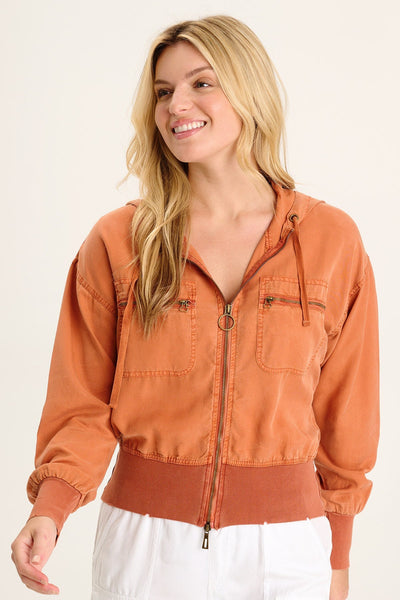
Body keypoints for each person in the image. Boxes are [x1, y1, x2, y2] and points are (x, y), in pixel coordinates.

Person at [11, 14, 379, 600]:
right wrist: (50, 509)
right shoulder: (120, 242)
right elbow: (82, 400)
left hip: (288, 549)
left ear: (249, 89)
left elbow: (346, 411)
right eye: (163, 92)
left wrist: (336, 558)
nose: (176, 105)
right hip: (146, 547)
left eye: (201, 82)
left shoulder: (330, 239)